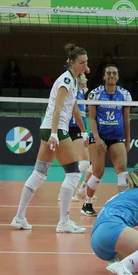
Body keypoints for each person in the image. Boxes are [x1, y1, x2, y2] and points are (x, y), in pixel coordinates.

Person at [10, 43, 89, 234]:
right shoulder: (66, 81)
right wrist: (54, 134)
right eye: (81, 62)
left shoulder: (74, 80)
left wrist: (83, 130)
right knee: (73, 173)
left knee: (39, 173)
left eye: (86, 62)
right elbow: (58, 108)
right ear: (71, 62)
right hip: (56, 130)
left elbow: (74, 107)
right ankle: (64, 222)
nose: (85, 66)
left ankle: (19, 217)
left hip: (48, 129)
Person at [82, 64, 132, 217]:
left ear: (118, 77)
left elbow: (126, 118)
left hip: (116, 137)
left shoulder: (125, 94)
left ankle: (122, 206)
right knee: (98, 172)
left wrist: (128, 139)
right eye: (108, 73)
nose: (111, 75)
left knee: (122, 170)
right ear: (104, 76)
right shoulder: (94, 94)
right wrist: (96, 138)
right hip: (99, 136)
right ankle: (87, 203)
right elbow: (91, 117)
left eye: (114, 73)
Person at [58, 73, 92, 202]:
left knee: (84, 163)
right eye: (84, 77)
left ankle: (76, 191)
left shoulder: (83, 93)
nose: (86, 79)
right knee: (83, 163)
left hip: (79, 129)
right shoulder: (73, 90)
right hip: (71, 128)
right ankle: (67, 192)